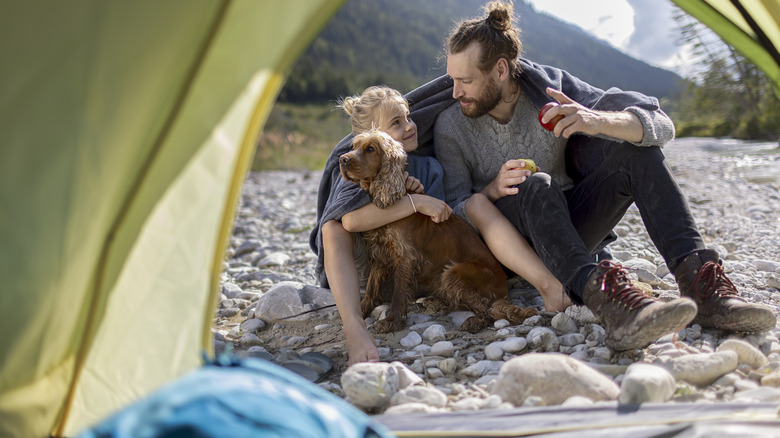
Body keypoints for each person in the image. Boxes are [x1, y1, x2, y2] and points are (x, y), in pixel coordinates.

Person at [432, 1, 776, 350]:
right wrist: (492, 190)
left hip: (570, 226)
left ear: (501, 70)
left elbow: (660, 126)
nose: (456, 91)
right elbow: (454, 210)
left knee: (635, 152)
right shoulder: (450, 125)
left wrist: (596, 120)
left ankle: (701, 287)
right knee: (536, 184)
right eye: (453, 80)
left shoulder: (550, 92)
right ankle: (611, 305)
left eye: (467, 80)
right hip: (510, 249)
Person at [312, 85, 565, 365]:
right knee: (332, 228)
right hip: (358, 272)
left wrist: (415, 198)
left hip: (417, 273)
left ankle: (544, 289)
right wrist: (413, 202)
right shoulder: (355, 162)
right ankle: (354, 326)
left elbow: (433, 233)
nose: (409, 126)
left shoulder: (429, 169)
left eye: (408, 117)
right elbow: (350, 220)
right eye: (396, 123)